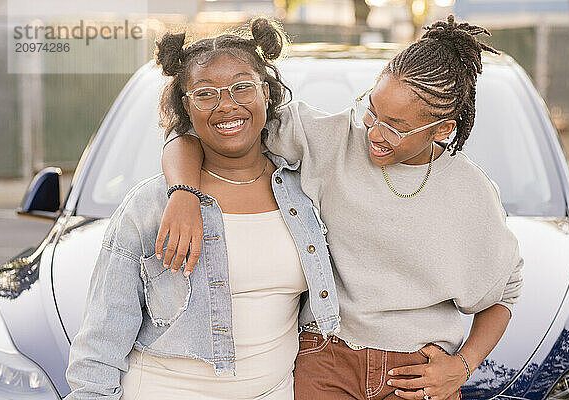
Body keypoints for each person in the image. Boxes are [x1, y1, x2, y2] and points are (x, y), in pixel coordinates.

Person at [158, 15, 524, 400]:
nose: (374, 133)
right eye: (372, 110)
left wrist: (462, 367)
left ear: (442, 130)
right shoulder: (329, 139)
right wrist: (183, 192)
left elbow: (505, 295)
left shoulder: (471, 192)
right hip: (327, 357)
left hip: (417, 373)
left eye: (395, 127)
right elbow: (203, 129)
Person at [64, 18, 340, 400]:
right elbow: (100, 341)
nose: (226, 105)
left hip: (276, 391)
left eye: (242, 87)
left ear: (267, 93)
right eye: (206, 94)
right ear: (186, 108)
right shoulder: (151, 205)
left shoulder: (306, 192)